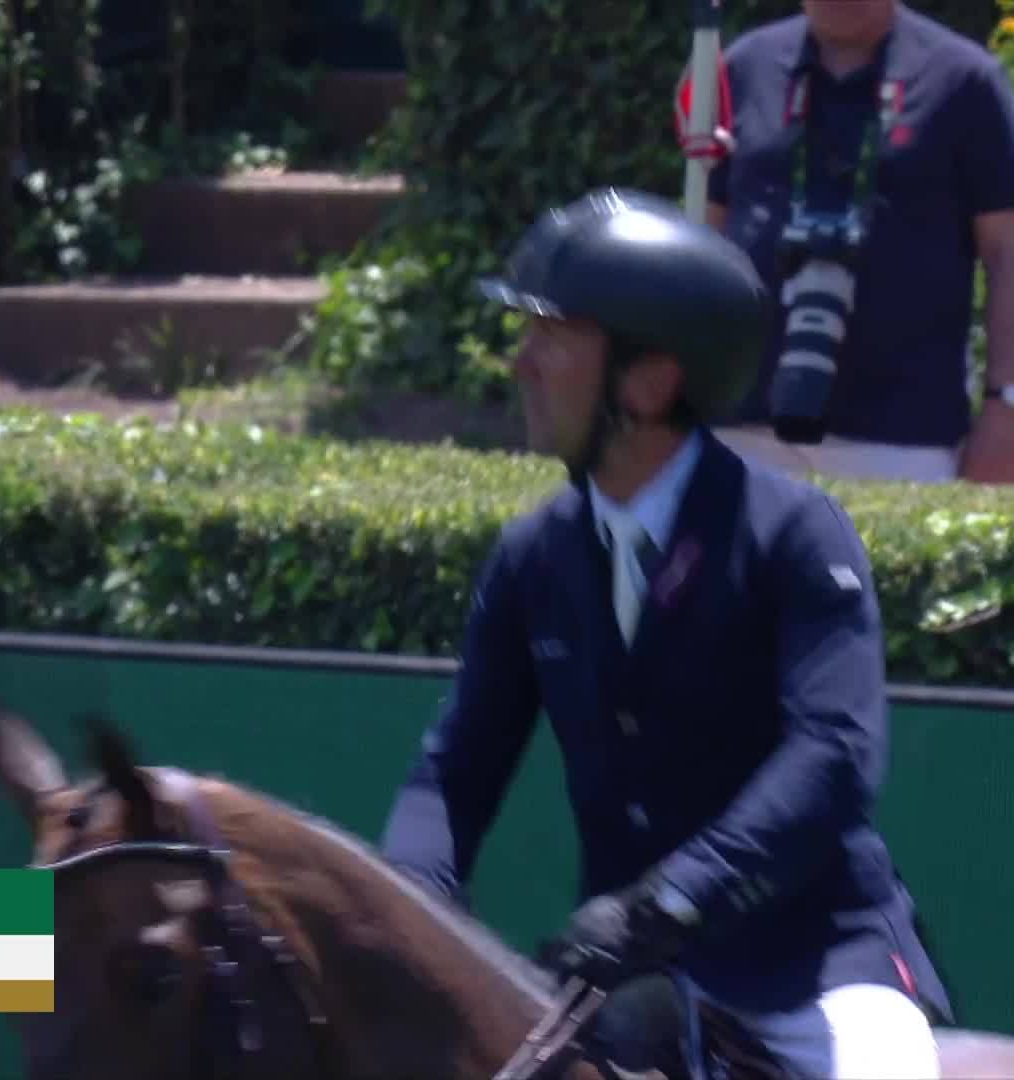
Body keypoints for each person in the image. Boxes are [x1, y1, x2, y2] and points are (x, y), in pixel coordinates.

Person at [378, 188, 951, 1079]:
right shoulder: (535, 554)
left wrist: (669, 903)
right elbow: (455, 770)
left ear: (648, 382)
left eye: (552, 335)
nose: (521, 363)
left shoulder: (793, 533)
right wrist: (402, 909)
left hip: (811, 979)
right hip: (619, 983)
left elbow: (832, 758)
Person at [700, 0, 1014, 484]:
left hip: (901, 439)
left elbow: (1006, 254)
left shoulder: (962, 80)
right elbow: (706, 237)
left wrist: (1005, 406)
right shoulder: (746, 67)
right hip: (741, 425)